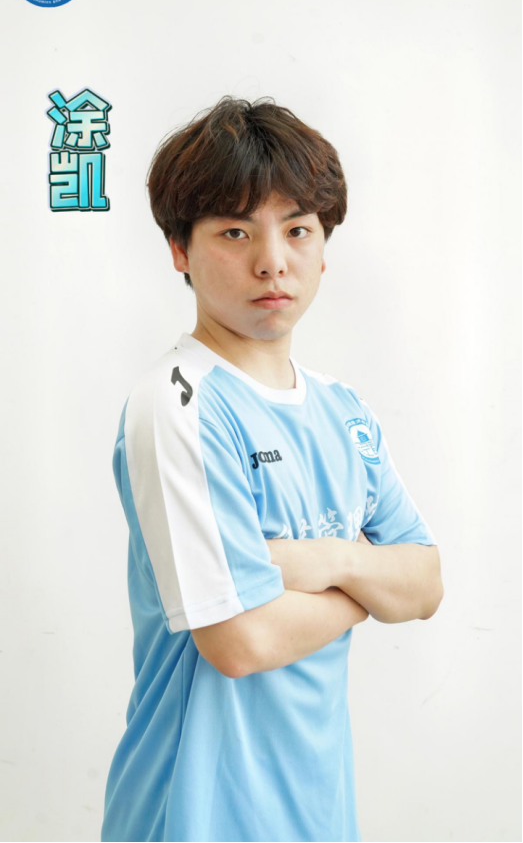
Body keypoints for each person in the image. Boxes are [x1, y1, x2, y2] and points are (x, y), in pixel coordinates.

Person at [100, 95, 444, 843]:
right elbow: (241, 642)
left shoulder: (342, 409)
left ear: (323, 246)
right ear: (179, 249)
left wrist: (327, 561)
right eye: (235, 231)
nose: (272, 261)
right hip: (195, 814)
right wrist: (366, 589)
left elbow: (424, 583)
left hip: (318, 813)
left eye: (297, 229)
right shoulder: (178, 404)